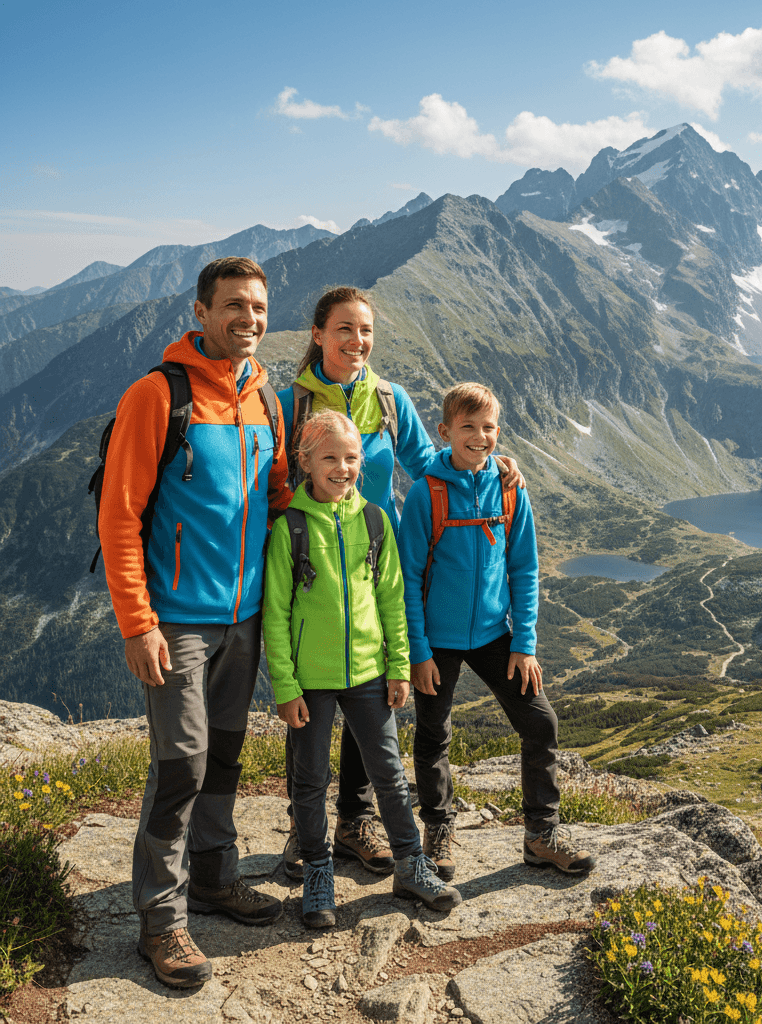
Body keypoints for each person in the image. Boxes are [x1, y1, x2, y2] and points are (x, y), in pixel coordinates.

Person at [277, 286, 523, 880]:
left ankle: (354, 823)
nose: (356, 341)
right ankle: (302, 833)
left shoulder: (390, 401)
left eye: (364, 330)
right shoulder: (288, 404)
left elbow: (430, 462)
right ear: (318, 335)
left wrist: (494, 467)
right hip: (306, 560)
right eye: (344, 329)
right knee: (309, 707)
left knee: (364, 694)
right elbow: (268, 478)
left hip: (367, 561)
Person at [98, 257, 290, 988]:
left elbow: (276, 500)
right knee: (179, 766)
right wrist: (136, 623)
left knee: (228, 757)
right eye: (235, 306)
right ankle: (162, 920)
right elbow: (118, 515)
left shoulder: (265, 402)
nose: (249, 319)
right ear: (203, 312)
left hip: (244, 620)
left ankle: (214, 878)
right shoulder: (157, 395)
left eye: (259, 308)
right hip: (176, 620)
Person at [262, 410, 461, 925]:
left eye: (351, 458)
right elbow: (275, 617)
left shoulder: (374, 520)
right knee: (309, 781)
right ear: (304, 462)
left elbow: (392, 598)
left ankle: (411, 864)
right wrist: (286, 685)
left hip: (371, 673)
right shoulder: (291, 527)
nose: (343, 467)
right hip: (311, 680)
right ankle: (318, 872)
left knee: (390, 777)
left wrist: (399, 666)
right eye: (330, 457)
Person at [398, 382, 597, 880]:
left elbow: (524, 569)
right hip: (437, 641)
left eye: (488, 428)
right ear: (444, 432)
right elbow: (408, 577)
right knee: (432, 734)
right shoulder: (427, 493)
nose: (479, 436)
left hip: (494, 635)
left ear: (498, 433)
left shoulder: (510, 489)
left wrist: (525, 643)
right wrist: (418, 651)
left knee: (540, 723)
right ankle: (438, 828)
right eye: (467, 427)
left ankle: (541, 833)